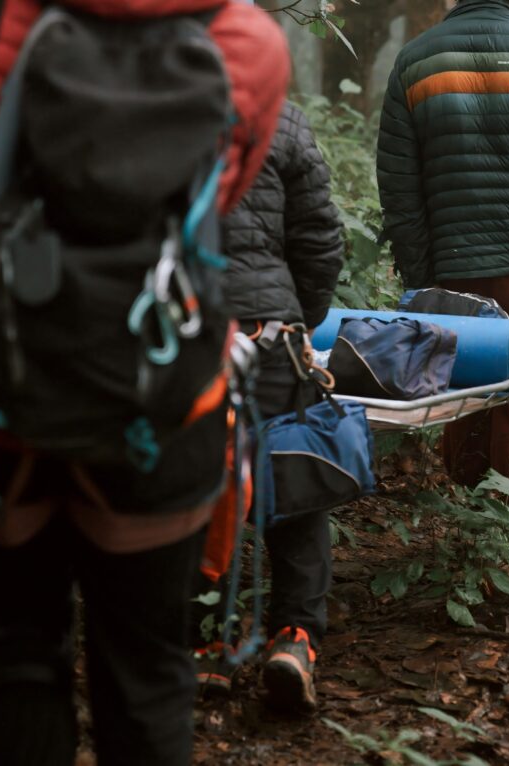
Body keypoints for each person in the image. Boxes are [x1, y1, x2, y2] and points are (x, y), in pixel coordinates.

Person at [0, 2, 289, 764]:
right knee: (148, 670)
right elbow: (212, 206)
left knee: (20, 645)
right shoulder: (249, 43)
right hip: (158, 404)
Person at [376, 0, 509, 487]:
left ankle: (468, 517)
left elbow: (399, 188)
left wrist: (424, 284)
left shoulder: (414, 59)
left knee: (464, 387)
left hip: (449, 270)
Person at [192, 100, 344, 713]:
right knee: (294, 487)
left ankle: (209, 643)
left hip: (184, 334)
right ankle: (295, 641)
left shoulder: (140, 98)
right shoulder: (279, 114)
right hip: (270, 332)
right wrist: (295, 317)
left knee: (194, 487)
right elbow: (319, 237)